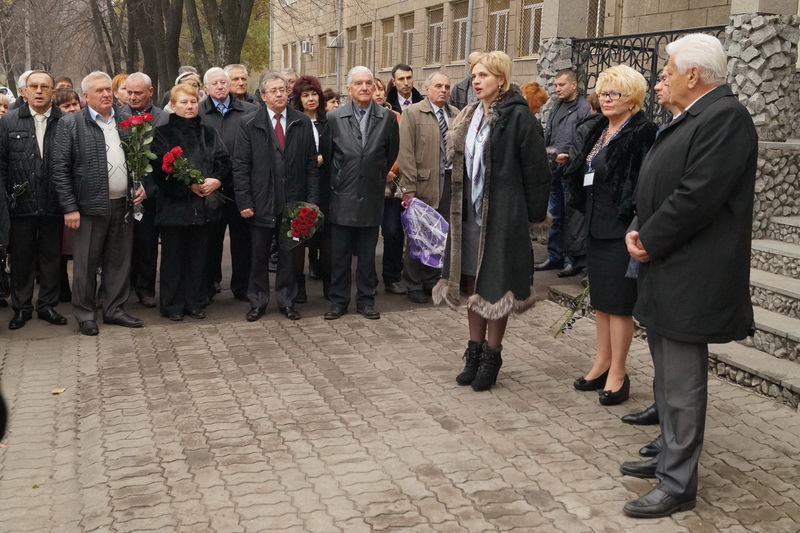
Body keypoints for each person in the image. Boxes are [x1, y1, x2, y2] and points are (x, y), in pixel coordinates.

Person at [621, 34, 757, 519]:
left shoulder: (724, 117)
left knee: (682, 379)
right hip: (667, 262)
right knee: (665, 368)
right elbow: (663, 183)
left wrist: (649, 236)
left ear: (693, 75)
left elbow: (697, 195)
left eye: (668, 71)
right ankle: (667, 448)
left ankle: (678, 483)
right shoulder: (696, 115)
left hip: (691, 269)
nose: (664, 78)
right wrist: (641, 225)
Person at [434, 51, 550, 391]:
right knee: (472, 286)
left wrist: (531, 216)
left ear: (501, 79)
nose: (476, 80)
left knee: (497, 287)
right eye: (474, 74)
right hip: (468, 215)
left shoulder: (519, 117)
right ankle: (473, 350)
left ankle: (492, 355)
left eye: (484, 74)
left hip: (502, 217)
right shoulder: (469, 115)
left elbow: (536, 171)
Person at [565, 65, 656, 406]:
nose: (605, 99)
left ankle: (619, 372)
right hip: (595, 226)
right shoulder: (601, 128)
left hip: (622, 230)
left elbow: (645, 186)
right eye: (602, 93)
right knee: (601, 303)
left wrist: (637, 225)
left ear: (632, 98)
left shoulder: (642, 132)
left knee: (618, 306)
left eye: (614, 93)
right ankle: (602, 363)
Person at [51, 71, 146, 336]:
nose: (106, 94)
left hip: (123, 205)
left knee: (118, 262)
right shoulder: (71, 124)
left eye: (108, 89)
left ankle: (114, 309)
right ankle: (85, 314)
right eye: (99, 91)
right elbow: (60, 169)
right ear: (86, 97)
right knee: (86, 265)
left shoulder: (127, 120)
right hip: (89, 208)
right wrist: (69, 207)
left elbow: (139, 160)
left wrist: (141, 186)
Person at [620, 68, 679, 436]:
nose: (658, 84)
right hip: (647, 240)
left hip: (665, 248)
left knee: (673, 350)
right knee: (656, 337)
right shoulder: (671, 125)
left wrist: (647, 236)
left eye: (665, 76)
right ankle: (662, 405)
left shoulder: (707, 126)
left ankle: (671, 420)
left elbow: (687, 198)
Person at [234, 72, 319, 322]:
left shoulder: (301, 121)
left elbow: (311, 165)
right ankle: (258, 301)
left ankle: (287, 300)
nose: (280, 94)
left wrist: (311, 201)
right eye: (274, 90)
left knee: (289, 256)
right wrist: (245, 201)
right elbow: (240, 166)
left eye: (283, 89)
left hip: (293, 203)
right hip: (261, 203)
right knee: (258, 256)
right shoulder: (250, 123)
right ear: (263, 96)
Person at [320, 66, 399, 320]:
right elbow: (329, 154)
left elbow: (390, 153)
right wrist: (344, 178)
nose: (365, 87)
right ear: (349, 89)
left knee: (367, 255)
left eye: (369, 83)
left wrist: (373, 175)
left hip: (371, 194)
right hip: (342, 195)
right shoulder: (334, 118)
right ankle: (338, 301)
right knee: (339, 255)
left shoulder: (386, 118)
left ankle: (366, 300)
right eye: (359, 83)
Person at [151, 83, 232, 321]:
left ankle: (196, 301)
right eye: (184, 102)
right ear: (173, 106)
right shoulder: (162, 133)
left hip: (204, 206)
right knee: (173, 259)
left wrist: (216, 180)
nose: (189, 106)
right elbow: (159, 171)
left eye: (193, 102)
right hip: (174, 208)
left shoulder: (209, 132)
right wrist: (187, 185)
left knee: (199, 258)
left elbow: (224, 160)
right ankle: (172, 304)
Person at [0, 70, 68, 330]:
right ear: (24, 91)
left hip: (53, 203)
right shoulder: (9, 122)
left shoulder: (65, 122)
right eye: (34, 86)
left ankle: (48, 306)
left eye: (45, 86)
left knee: (51, 257)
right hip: (21, 204)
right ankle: (22, 307)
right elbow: (2, 163)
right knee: (21, 258)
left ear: (53, 91)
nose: (39, 91)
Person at [397, 71, 459, 304]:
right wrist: (409, 187)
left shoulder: (455, 114)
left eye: (447, 86)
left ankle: (431, 281)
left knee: (440, 236)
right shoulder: (413, 113)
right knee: (417, 237)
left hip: (449, 183)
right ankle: (413, 284)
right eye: (439, 86)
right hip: (423, 184)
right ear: (427, 89)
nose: (443, 90)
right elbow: (406, 153)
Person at [199, 67, 258, 302]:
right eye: (215, 83)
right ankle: (209, 284)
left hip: (240, 187)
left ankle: (242, 286)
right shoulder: (198, 113)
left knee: (243, 241)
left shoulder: (250, 111)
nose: (221, 87)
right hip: (210, 188)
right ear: (206, 88)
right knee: (210, 240)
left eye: (224, 82)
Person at [535, 69, 592, 278]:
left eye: (561, 85)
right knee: (554, 214)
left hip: (571, 170)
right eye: (556, 85)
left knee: (571, 216)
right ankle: (554, 256)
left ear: (574, 85)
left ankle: (572, 259)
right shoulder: (557, 105)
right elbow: (550, 135)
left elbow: (584, 139)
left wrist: (571, 158)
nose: (557, 88)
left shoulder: (584, 108)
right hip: (554, 168)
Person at [123, 72, 167, 309]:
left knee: (147, 244)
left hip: (151, 192)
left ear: (150, 92)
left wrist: (149, 189)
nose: (132, 97)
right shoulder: (117, 117)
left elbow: (165, 161)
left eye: (137, 93)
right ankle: (118, 287)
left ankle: (145, 288)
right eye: (128, 92)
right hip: (121, 191)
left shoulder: (163, 118)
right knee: (119, 244)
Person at [291, 75, 328, 301]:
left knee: (323, 237)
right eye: (305, 95)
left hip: (325, 184)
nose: (311, 99)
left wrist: (325, 157)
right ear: (298, 98)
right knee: (298, 238)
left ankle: (323, 276)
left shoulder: (328, 121)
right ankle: (298, 286)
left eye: (314, 94)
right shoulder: (294, 122)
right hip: (301, 184)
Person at [373, 77, 406, 296]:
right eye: (373, 89)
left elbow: (403, 147)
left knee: (393, 231)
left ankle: (392, 277)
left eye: (380, 89)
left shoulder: (395, 117)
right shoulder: (354, 117)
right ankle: (367, 279)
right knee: (365, 236)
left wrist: (391, 169)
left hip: (391, 186)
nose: (376, 93)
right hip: (366, 186)